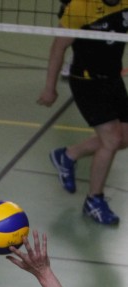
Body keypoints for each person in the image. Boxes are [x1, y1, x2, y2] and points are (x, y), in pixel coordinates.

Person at [38, 0, 128, 225]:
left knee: (124, 138)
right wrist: (49, 87)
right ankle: (94, 201)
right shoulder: (80, 7)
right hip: (86, 82)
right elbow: (58, 47)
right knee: (112, 140)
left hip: (113, 78)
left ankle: (68, 155)